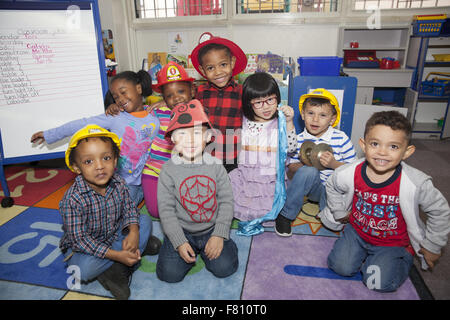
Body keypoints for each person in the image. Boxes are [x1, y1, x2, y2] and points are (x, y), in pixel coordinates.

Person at [320, 111, 450, 292]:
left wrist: (433, 245)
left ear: (407, 152)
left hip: (393, 243)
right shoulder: (350, 171)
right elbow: (332, 185)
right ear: (363, 146)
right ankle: (367, 256)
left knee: (376, 283)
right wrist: (340, 212)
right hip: (357, 232)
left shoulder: (416, 182)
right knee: (340, 267)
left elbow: (441, 211)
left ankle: (403, 256)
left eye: (393, 147)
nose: (382, 152)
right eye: (375, 144)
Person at [30, 70, 159, 207]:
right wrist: (50, 134)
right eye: (116, 97)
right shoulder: (116, 117)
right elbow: (83, 123)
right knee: (118, 212)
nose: (120, 99)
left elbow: (178, 107)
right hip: (123, 182)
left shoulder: (155, 116)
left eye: (123, 92)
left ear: (138, 88)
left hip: (149, 179)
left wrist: (162, 103)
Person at [59, 125, 159, 300]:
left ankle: (128, 250)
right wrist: (116, 255)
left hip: (114, 233)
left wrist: (134, 232)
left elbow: (129, 207)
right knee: (82, 271)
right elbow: (80, 240)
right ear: (76, 167)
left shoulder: (118, 182)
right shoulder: (72, 199)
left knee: (144, 221)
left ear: (115, 161)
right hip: (88, 247)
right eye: (88, 161)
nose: (99, 166)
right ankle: (121, 262)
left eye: (106, 158)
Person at [156, 99, 238, 283]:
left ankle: (224, 243)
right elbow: (166, 211)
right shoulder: (168, 170)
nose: (190, 140)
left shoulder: (216, 166)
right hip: (182, 230)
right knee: (168, 275)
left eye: (196, 133)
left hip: (212, 228)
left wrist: (219, 234)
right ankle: (176, 244)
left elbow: (226, 201)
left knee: (225, 268)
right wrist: (179, 241)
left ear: (208, 137)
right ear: (173, 140)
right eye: (182, 134)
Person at [105, 62, 196, 218]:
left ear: (192, 91)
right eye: (169, 95)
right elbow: (136, 115)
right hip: (154, 169)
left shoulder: (197, 111)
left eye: (181, 91)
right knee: (154, 211)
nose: (176, 98)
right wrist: (115, 108)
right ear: (163, 97)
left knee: (193, 207)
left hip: (183, 171)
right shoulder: (157, 112)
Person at [275, 88, 356, 237]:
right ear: (303, 115)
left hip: (336, 191)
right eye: (311, 113)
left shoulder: (341, 138)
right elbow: (291, 168)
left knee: (334, 223)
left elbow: (355, 171)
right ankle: (286, 215)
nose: (315, 119)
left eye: (323, 115)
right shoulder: (298, 139)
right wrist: (305, 162)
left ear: (332, 119)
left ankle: (326, 210)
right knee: (308, 171)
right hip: (314, 189)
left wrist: (333, 164)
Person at [229, 72, 297, 222]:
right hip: (247, 174)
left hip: (270, 177)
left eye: (270, 100)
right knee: (238, 201)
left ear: (277, 98)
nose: (266, 106)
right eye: (258, 102)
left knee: (268, 208)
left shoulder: (280, 121)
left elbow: (291, 148)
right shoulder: (244, 120)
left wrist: (290, 123)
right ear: (249, 104)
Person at [191, 32, 248, 173]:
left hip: (233, 158)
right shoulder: (199, 93)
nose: (218, 72)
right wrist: (162, 103)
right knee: (206, 191)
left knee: (230, 192)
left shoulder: (243, 92)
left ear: (232, 63)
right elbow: (181, 103)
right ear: (202, 70)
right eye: (210, 68)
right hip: (206, 156)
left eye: (223, 64)